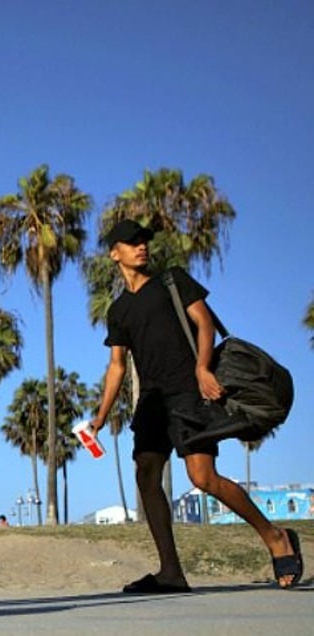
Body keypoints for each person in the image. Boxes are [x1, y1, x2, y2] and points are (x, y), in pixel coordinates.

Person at [89, 219, 303, 592]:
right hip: (152, 401)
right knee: (146, 475)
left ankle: (275, 536)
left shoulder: (171, 281)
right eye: (132, 242)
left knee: (202, 478)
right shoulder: (119, 311)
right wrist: (101, 415)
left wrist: (203, 368)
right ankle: (170, 571)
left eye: (144, 241)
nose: (141, 246)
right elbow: (117, 366)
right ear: (114, 253)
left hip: (189, 393)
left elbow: (204, 323)